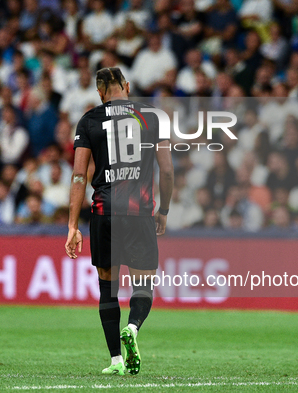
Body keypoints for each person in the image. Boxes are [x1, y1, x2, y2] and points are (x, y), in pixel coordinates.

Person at [65, 67, 174, 376]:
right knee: (143, 285)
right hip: (139, 213)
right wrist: (163, 210)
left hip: (103, 212)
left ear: (100, 92)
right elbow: (166, 170)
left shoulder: (89, 121)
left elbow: (78, 176)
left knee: (107, 288)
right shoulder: (153, 117)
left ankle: (115, 361)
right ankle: (133, 328)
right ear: (127, 86)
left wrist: (73, 225)